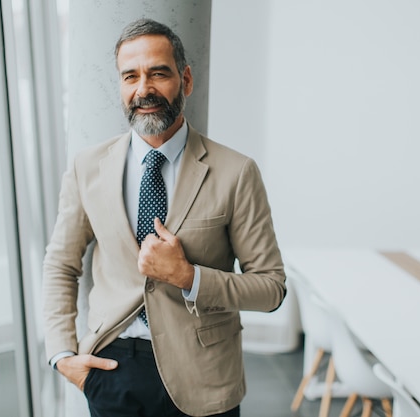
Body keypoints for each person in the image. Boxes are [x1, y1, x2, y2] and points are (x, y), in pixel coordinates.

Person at [42, 18, 286, 417]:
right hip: (112, 367)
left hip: (205, 374)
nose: (144, 90)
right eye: (130, 76)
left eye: (159, 73)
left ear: (185, 79)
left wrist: (190, 278)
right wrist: (62, 354)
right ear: (120, 87)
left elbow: (271, 288)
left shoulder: (236, 172)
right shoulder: (88, 167)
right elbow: (60, 264)